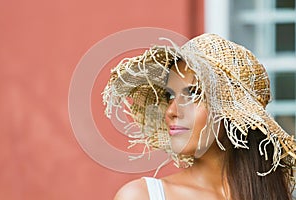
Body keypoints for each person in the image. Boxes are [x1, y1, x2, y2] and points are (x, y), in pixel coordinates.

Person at [102, 33, 296, 200]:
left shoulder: (272, 193)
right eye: (169, 95)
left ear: (235, 113)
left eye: (194, 94)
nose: (171, 111)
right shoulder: (142, 196)